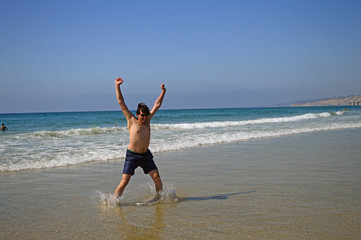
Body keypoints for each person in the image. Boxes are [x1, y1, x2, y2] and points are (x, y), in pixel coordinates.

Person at [114, 77, 166, 199]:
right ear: (137, 114)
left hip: (145, 155)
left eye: (146, 115)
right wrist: (117, 86)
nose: (144, 118)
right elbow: (121, 102)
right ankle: (113, 201)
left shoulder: (148, 120)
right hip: (132, 155)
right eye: (142, 115)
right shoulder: (131, 120)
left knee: (157, 178)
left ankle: (159, 199)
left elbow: (157, 105)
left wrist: (163, 91)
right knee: (125, 181)